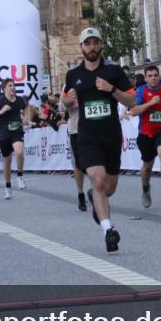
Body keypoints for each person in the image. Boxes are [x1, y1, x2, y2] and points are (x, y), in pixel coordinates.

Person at [63, 28, 135, 252]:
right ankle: (108, 230)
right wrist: (67, 102)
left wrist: (111, 88)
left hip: (111, 135)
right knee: (98, 177)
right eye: (88, 43)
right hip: (87, 135)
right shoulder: (73, 75)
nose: (92, 47)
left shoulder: (113, 71)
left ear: (101, 45)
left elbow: (132, 100)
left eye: (95, 43)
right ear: (81, 47)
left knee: (108, 187)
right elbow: (65, 102)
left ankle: (96, 196)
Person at [128, 65, 161, 208]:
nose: (153, 78)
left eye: (155, 75)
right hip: (146, 133)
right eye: (150, 76)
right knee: (147, 165)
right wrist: (150, 103)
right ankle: (145, 190)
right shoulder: (141, 91)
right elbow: (134, 110)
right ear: (145, 78)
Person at [0, 78, 29, 199]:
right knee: (7, 163)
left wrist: (26, 118)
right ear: (4, 89)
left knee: (19, 151)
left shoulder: (19, 100)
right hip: (4, 133)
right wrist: (2, 111)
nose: (13, 87)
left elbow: (27, 107)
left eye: (13, 85)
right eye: (10, 85)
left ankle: (19, 176)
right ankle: (8, 188)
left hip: (17, 130)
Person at [63, 90, 88, 212]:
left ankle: (97, 192)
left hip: (93, 128)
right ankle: (80, 193)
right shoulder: (70, 83)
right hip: (75, 129)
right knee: (78, 166)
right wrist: (74, 101)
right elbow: (62, 106)